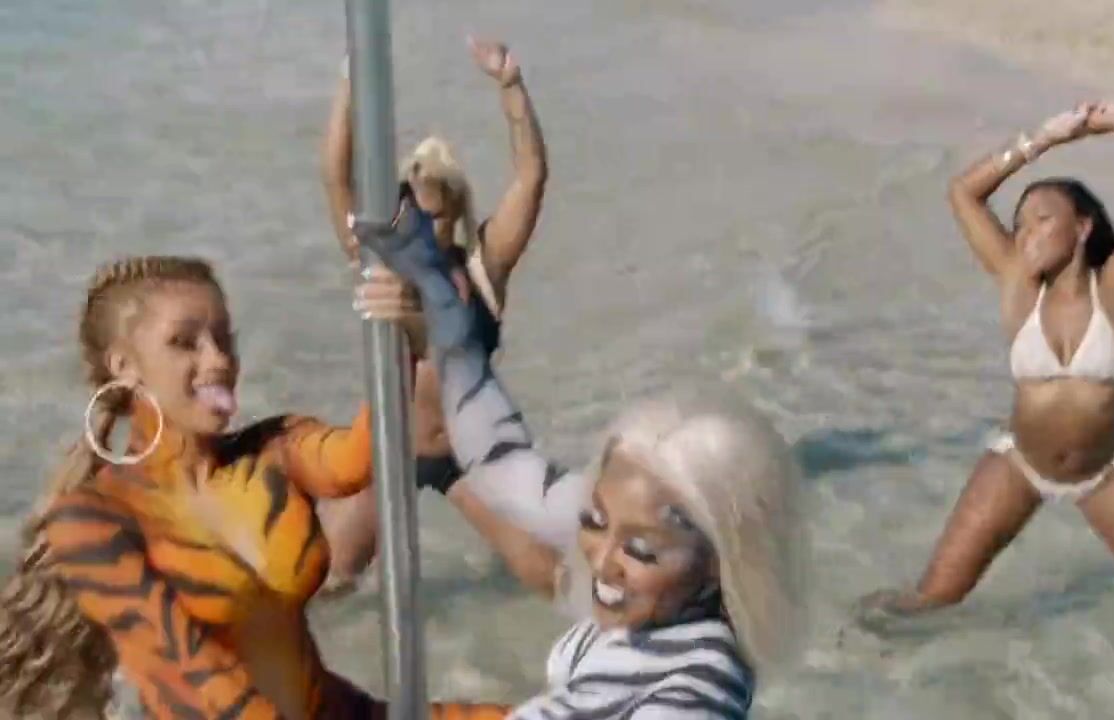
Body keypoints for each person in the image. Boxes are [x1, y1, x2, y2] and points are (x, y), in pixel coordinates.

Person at [0, 255, 509, 718]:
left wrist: (407, 340)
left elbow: (359, 455)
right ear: (124, 367)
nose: (218, 360)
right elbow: (189, 671)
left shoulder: (271, 450)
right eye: (185, 342)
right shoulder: (93, 520)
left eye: (225, 339)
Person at [359, 198, 808, 718]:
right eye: (594, 521)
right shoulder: (656, 611)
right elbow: (501, 460)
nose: (599, 559)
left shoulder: (696, 693)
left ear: (717, 564)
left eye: (640, 550)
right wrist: (435, 293)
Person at [861, 101, 1114, 618]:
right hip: (1019, 466)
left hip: (1107, 472)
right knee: (927, 602)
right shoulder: (1017, 282)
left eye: (1042, 220)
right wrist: (1044, 138)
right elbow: (963, 192)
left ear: (1083, 227)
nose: (1025, 233)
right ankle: (830, 643)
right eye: (1020, 224)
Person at [317, 36, 548, 593]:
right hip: (389, 451)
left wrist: (511, 86)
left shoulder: (482, 272)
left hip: (467, 452)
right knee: (329, 582)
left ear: (457, 212)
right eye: (415, 217)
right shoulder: (380, 264)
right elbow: (335, 174)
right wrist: (352, 77)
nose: (426, 230)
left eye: (438, 217)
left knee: (545, 573)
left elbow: (531, 177)